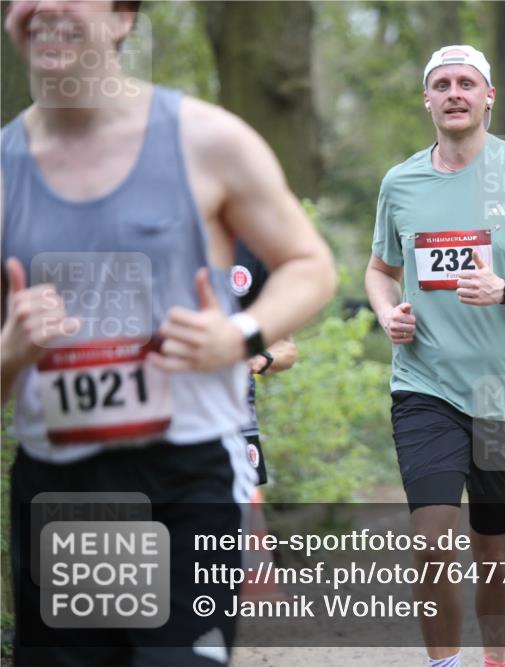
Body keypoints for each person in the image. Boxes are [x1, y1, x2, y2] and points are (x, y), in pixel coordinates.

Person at [1, 2, 336, 664]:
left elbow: (311, 265)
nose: (41, 8)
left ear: (124, 16)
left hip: (185, 479)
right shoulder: (5, 167)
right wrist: (11, 350)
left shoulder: (206, 139)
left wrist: (239, 336)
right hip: (63, 491)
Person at [365, 44, 505, 667]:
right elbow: (380, 270)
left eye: (467, 82)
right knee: (432, 541)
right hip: (424, 387)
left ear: (489, 96)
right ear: (427, 99)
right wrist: (388, 312)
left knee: (495, 546)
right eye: (442, 84)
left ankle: (497, 659)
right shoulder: (401, 182)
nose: (454, 93)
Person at [230, 242, 299, 485]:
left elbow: (288, 349)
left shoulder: (252, 249)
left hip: (235, 415)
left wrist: (262, 357)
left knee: (241, 511)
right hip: (168, 411)